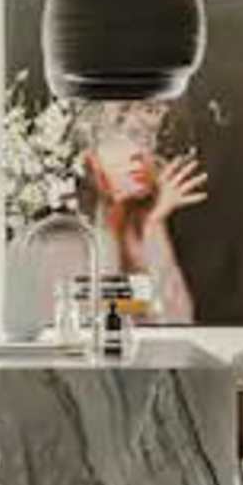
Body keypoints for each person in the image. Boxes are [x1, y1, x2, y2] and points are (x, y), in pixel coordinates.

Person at [79, 98, 207, 323]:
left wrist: (154, 224)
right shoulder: (71, 236)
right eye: (119, 138)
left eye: (147, 140)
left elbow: (176, 322)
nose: (137, 153)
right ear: (89, 159)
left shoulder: (156, 225)